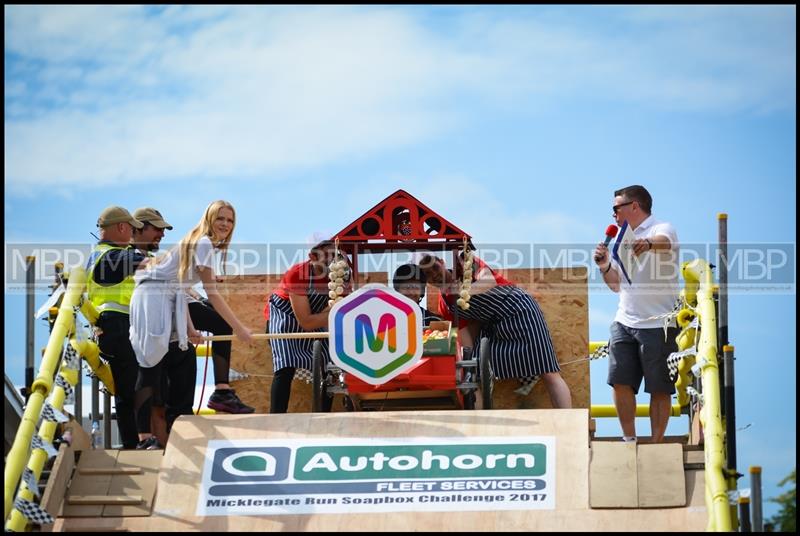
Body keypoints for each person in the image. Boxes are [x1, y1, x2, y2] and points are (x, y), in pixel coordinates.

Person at [129, 200, 254, 447]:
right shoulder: (204, 242)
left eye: (229, 220)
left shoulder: (200, 243)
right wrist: (241, 328)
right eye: (220, 218)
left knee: (179, 353)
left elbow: (180, 289)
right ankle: (144, 436)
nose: (225, 224)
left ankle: (221, 390)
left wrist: (189, 328)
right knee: (149, 364)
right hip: (152, 297)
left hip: (168, 296)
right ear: (209, 219)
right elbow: (213, 293)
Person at [420, 253, 572, 408]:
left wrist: (463, 293)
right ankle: (478, 426)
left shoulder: (465, 262)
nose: (434, 274)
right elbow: (466, 333)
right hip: (494, 328)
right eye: (427, 274)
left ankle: (569, 426)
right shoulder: (445, 304)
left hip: (520, 310)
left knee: (548, 372)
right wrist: (467, 363)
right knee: (473, 374)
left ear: (442, 262)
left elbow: (488, 281)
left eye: (434, 267)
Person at [593, 185, 680, 444]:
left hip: (660, 322)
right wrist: (604, 264)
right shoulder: (621, 239)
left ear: (634, 206)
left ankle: (656, 442)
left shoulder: (661, 228)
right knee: (619, 381)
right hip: (625, 320)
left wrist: (648, 243)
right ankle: (629, 439)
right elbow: (616, 285)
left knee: (659, 387)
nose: (613, 215)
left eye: (616, 208)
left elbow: (665, 243)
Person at [128, 207, 196, 450]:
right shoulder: (124, 257)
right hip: (139, 329)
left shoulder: (157, 261)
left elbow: (176, 287)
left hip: (164, 331)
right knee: (149, 383)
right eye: (157, 228)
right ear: (138, 228)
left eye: (163, 230)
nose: (161, 234)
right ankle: (145, 439)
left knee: (164, 394)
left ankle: (175, 440)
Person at [85, 206, 147, 449]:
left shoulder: (99, 255)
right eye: (131, 228)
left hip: (109, 327)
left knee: (125, 388)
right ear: (121, 227)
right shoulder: (110, 255)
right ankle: (136, 442)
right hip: (119, 325)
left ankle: (131, 443)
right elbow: (138, 262)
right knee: (135, 385)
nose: (133, 233)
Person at [265, 240, 340, 413]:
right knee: (285, 367)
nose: (332, 260)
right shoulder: (297, 274)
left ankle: (323, 418)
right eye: (326, 255)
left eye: (335, 254)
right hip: (285, 318)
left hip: (316, 317)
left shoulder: (340, 274)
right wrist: (337, 313)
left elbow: (336, 305)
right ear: (312, 257)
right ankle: (276, 418)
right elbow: (306, 321)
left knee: (329, 365)